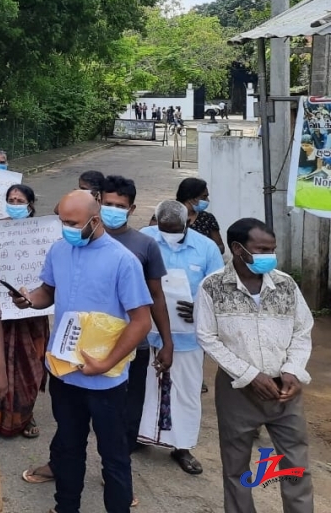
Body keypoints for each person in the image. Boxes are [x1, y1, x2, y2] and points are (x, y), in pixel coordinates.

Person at [13, 191, 153, 513]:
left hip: (106, 382)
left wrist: (106, 363)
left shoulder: (123, 261)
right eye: (62, 221)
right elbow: (47, 290)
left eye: (72, 223)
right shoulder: (59, 250)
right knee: (68, 448)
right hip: (65, 373)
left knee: (113, 455)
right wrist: (30, 299)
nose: (65, 228)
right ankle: (66, 507)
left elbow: (141, 321)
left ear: (94, 220)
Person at [196, 218, 314, 513]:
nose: (268, 256)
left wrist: (293, 370)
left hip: (286, 391)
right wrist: (249, 375)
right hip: (238, 391)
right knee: (236, 468)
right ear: (237, 249)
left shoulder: (286, 284)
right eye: (261, 249)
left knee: (295, 466)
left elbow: (302, 330)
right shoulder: (213, 287)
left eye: (272, 249)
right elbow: (207, 337)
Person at [138, 200, 223, 475]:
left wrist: (200, 306)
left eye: (175, 229)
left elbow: (218, 289)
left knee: (186, 393)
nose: (168, 234)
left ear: (188, 223)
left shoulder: (206, 248)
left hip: (188, 337)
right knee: (144, 390)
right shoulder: (144, 239)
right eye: (164, 229)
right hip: (145, 332)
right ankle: (141, 437)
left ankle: (182, 447)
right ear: (156, 222)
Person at [99, 175, 173, 455]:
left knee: (128, 413)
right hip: (90, 342)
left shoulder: (145, 246)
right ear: (98, 202)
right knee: (78, 414)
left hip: (133, 345)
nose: (113, 209)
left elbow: (156, 296)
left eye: (120, 205)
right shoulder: (79, 241)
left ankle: (118, 472)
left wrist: (167, 342)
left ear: (131, 209)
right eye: (108, 203)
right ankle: (64, 465)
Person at [0, 184, 51, 439]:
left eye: (19, 200)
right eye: (10, 199)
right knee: (2, 361)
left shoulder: (43, 232)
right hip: (3, 310)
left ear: (30, 204)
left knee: (31, 364)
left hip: (34, 313)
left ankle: (26, 413)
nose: (14, 203)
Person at [176, 177, 223, 252]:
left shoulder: (207, 218)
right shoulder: (166, 215)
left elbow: (220, 247)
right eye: (204, 197)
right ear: (191, 197)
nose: (207, 200)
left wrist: (204, 251)